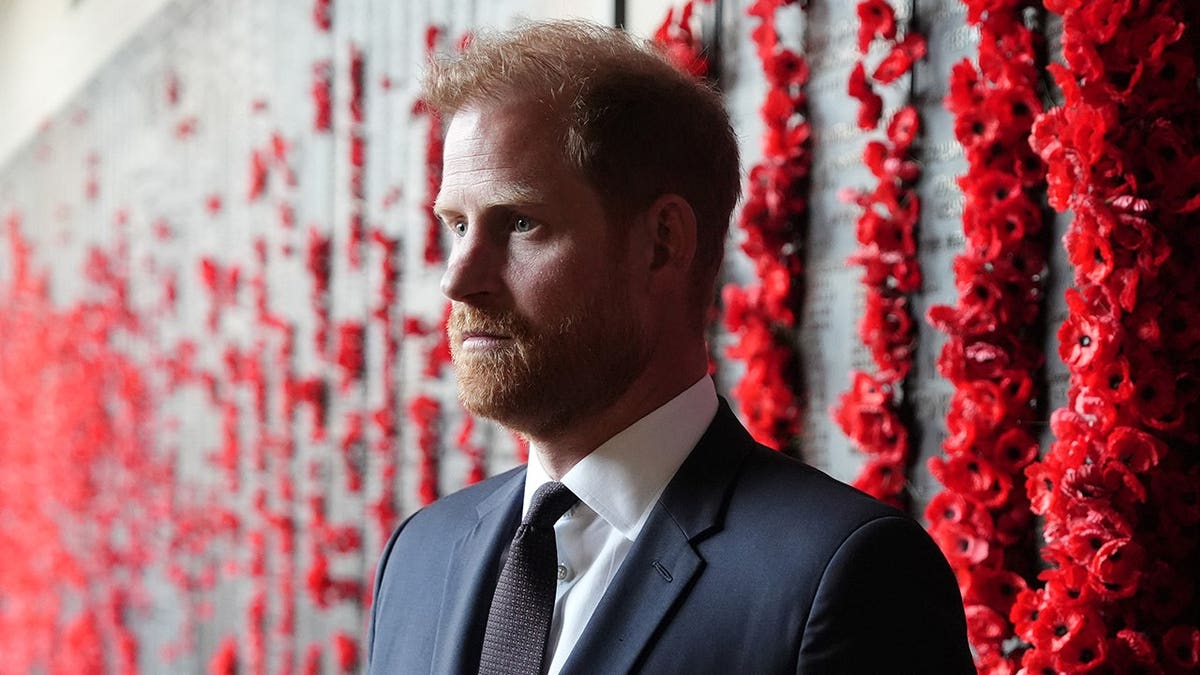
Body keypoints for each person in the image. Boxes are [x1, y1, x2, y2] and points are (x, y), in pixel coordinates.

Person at [367, 19, 973, 675]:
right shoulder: (419, 553)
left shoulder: (842, 576)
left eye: (520, 222)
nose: (457, 277)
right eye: (456, 225)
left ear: (662, 242)